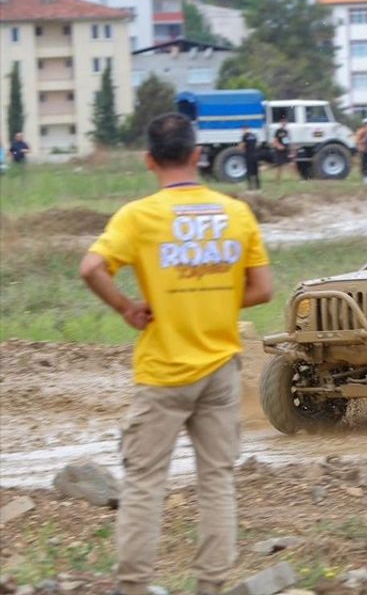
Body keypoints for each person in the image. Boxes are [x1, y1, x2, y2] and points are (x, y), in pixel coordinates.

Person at [79, 113, 273, 595]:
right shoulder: (236, 212)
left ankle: (135, 586)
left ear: (149, 160)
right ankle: (211, 585)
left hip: (163, 372)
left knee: (145, 482)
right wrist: (216, 295)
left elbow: (91, 268)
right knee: (217, 480)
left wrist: (127, 307)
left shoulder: (138, 216)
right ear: (196, 155)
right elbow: (263, 289)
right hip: (221, 372)